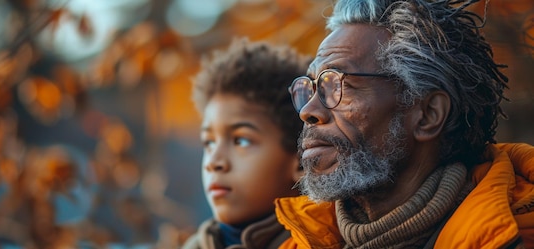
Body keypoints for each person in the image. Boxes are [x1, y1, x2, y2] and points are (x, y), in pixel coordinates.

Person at [276, 0, 534, 248]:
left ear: (427, 115)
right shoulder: (299, 242)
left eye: (338, 85)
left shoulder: (515, 235)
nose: (308, 110)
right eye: (309, 87)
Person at [182, 38, 309, 248]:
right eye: (209, 142)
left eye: (240, 140)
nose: (214, 162)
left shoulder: (329, 240)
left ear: (300, 161)